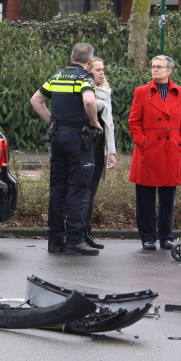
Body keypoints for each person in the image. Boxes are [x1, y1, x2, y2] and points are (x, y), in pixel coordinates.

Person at [30, 43, 103, 256]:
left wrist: (52, 121)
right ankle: (74, 239)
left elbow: (36, 100)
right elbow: (89, 100)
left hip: (58, 138)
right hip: (78, 139)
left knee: (58, 189)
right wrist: (94, 122)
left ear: (71, 57)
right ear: (89, 62)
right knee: (79, 189)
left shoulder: (57, 77)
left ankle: (55, 240)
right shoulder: (84, 78)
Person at [128, 55, 181, 251]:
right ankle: (147, 236)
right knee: (145, 196)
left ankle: (166, 236)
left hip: (171, 149)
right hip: (148, 149)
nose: (154, 70)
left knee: (167, 197)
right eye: (153, 67)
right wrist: (142, 141)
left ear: (169, 70)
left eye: (158, 67)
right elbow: (134, 121)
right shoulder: (142, 92)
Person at [84, 57, 118, 250]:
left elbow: (110, 124)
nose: (101, 73)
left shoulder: (105, 93)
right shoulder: (85, 94)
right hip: (87, 145)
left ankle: (87, 231)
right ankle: (81, 231)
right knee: (85, 191)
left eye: (103, 69)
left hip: (100, 147)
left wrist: (111, 152)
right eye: (97, 70)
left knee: (92, 191)